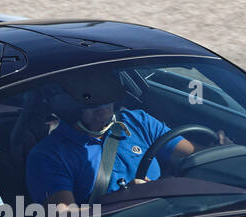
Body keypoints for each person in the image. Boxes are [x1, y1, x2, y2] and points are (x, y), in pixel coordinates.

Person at [25, 69, 205, 206]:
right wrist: (125, 198)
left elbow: (196, 158)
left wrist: (224, 152)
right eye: (94, 107)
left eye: (108, 103)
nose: (104, 112)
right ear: (70, 108)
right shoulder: (49, 154)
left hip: (169, 215)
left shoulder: (139, 121)